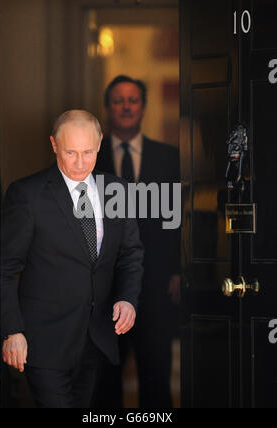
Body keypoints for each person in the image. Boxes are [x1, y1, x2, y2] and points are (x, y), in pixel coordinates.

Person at [0, 110, 144, 409]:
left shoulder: (117, 191)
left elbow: (131, 254)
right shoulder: (27, 195)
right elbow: (2, 268)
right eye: (70, 152)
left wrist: (128, 298)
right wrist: (13, 330)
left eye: (88, 152)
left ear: (100, 143)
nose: (79, 163)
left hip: (95, 340)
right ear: (54, 145)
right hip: (42, 342)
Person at [95, 75, 181, 408]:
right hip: (103, 290)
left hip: (157, 286)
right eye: (119, 100)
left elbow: (177, 223)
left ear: (143, 106)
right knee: (104, 378)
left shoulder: (169, 157)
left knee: (157, 375)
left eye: (133, 100)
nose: (126, 106)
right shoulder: (89, 158)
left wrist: (177, 271)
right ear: (108, 108)